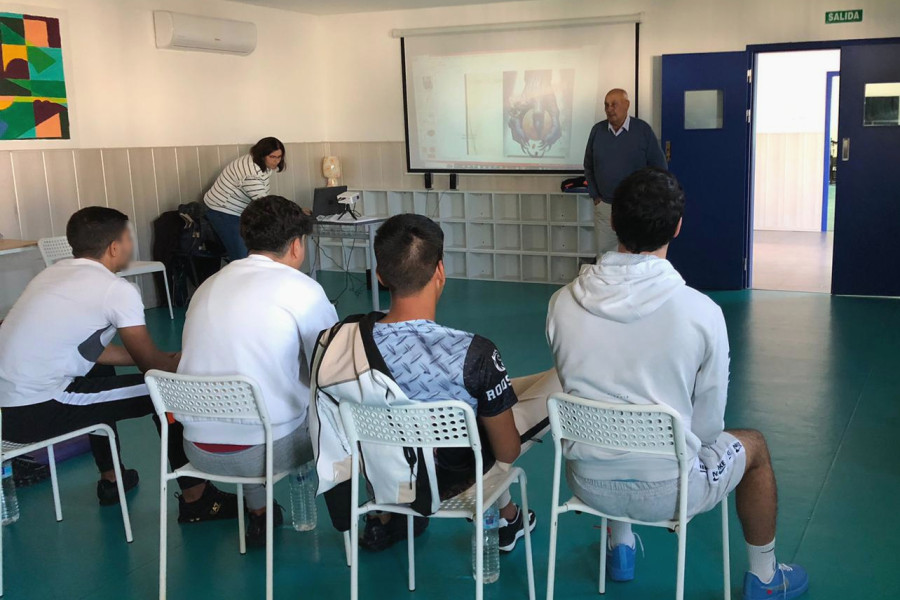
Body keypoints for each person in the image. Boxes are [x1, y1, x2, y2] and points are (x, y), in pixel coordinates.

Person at [547, 168, 809, 600]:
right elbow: (707, 431)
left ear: (613, 221)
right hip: (671, 492)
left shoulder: (561, 304)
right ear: (678, 226)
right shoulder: (701, 312)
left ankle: (621, 548)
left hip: (587, 483)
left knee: (610, 400)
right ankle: (766, 580)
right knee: (754, 447)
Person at [311, 214, 561, 553]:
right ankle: (506, 518)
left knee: (491, 396)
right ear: (440, 272)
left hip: (386, 476)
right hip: (455, 483)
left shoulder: (337, 343)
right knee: (561, 380)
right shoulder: (475, 353)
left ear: (381, 276)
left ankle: (506, 516)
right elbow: (507, 451)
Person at [0, 207, 237, 522]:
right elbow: (149, 365)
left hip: (9, 410)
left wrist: (168, 358)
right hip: (39, 409)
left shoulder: (52, 274)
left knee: (99, 370)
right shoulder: (116, 291)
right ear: (115, 247)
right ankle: (198, 499)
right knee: (165, 390)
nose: (130, 244)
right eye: (128, 237)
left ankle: (112, 478)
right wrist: (182, 363)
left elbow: (92, 352)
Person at [177, 196, 338, 547]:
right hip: (267, 450)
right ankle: (370, 518)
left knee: (248, 404)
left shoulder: (208, 286)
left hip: (198, 448)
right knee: (339, 404)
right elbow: (331, 370)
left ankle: (260, 512)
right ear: (296, 245)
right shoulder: (303, 290)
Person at [584, 89, 667, 257]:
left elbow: (659, 167)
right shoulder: (597, 131)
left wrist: (648, 198)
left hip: (635, 207)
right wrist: (595, 196)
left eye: (614, 104)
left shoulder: (642, 130)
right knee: (605, 255)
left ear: (627, 105)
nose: (609, 109)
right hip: (606, 206)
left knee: (635, 254)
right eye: (606, 105)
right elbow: (588, 165)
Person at [204, 136, 286, 261]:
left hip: (239, 211)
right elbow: (264, 203)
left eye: (279, 157)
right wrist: (291, 212)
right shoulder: (251, 171)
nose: (276, 161)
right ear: (262, 155)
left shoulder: (260, 163)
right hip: (222, 210)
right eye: (272, 157)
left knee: (250, 251)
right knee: (242, 257)